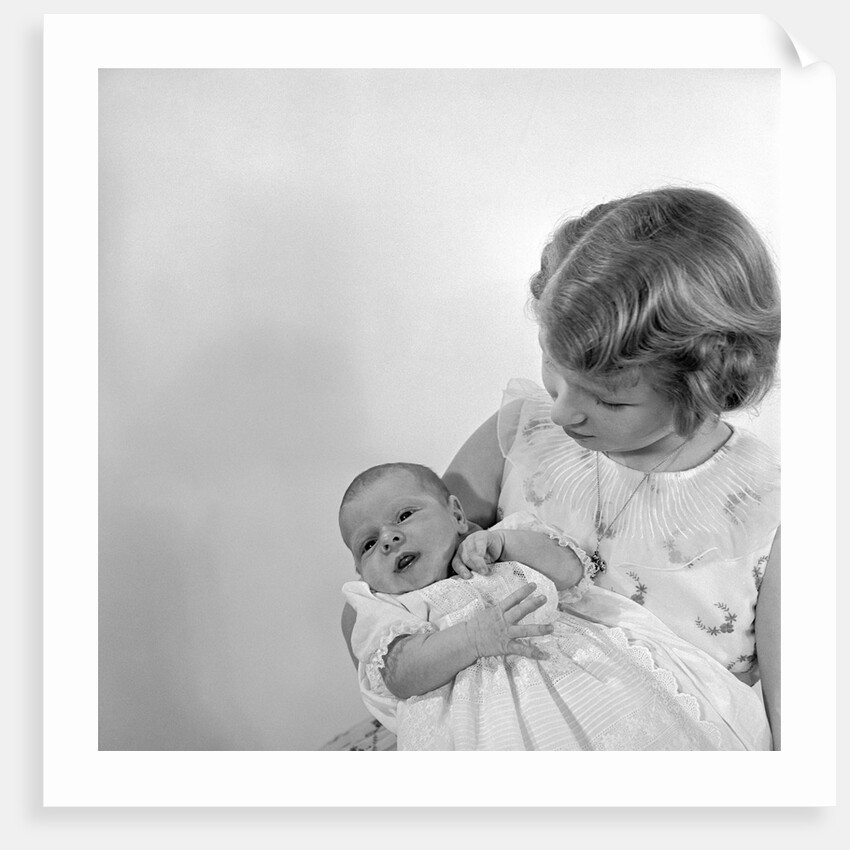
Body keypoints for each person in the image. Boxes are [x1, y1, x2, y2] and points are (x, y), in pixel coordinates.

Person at [342, 186, 781, 748]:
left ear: (705, 383)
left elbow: (796, 737)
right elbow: (376, 607)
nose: (566, 411)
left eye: (610, 400)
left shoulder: (769, 513)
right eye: (554, 368)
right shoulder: (522, 437)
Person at [340, 461, 771, 750]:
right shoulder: (387, 607)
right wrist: (473, 638)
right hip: (477, 726)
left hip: (580, 672)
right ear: (363, 574)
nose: (389, 538)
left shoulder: (503, 542)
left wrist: (505, 543)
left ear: (455, 513)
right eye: (369, 543)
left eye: (404, 516)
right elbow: (399, 676)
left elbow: (570, 572)